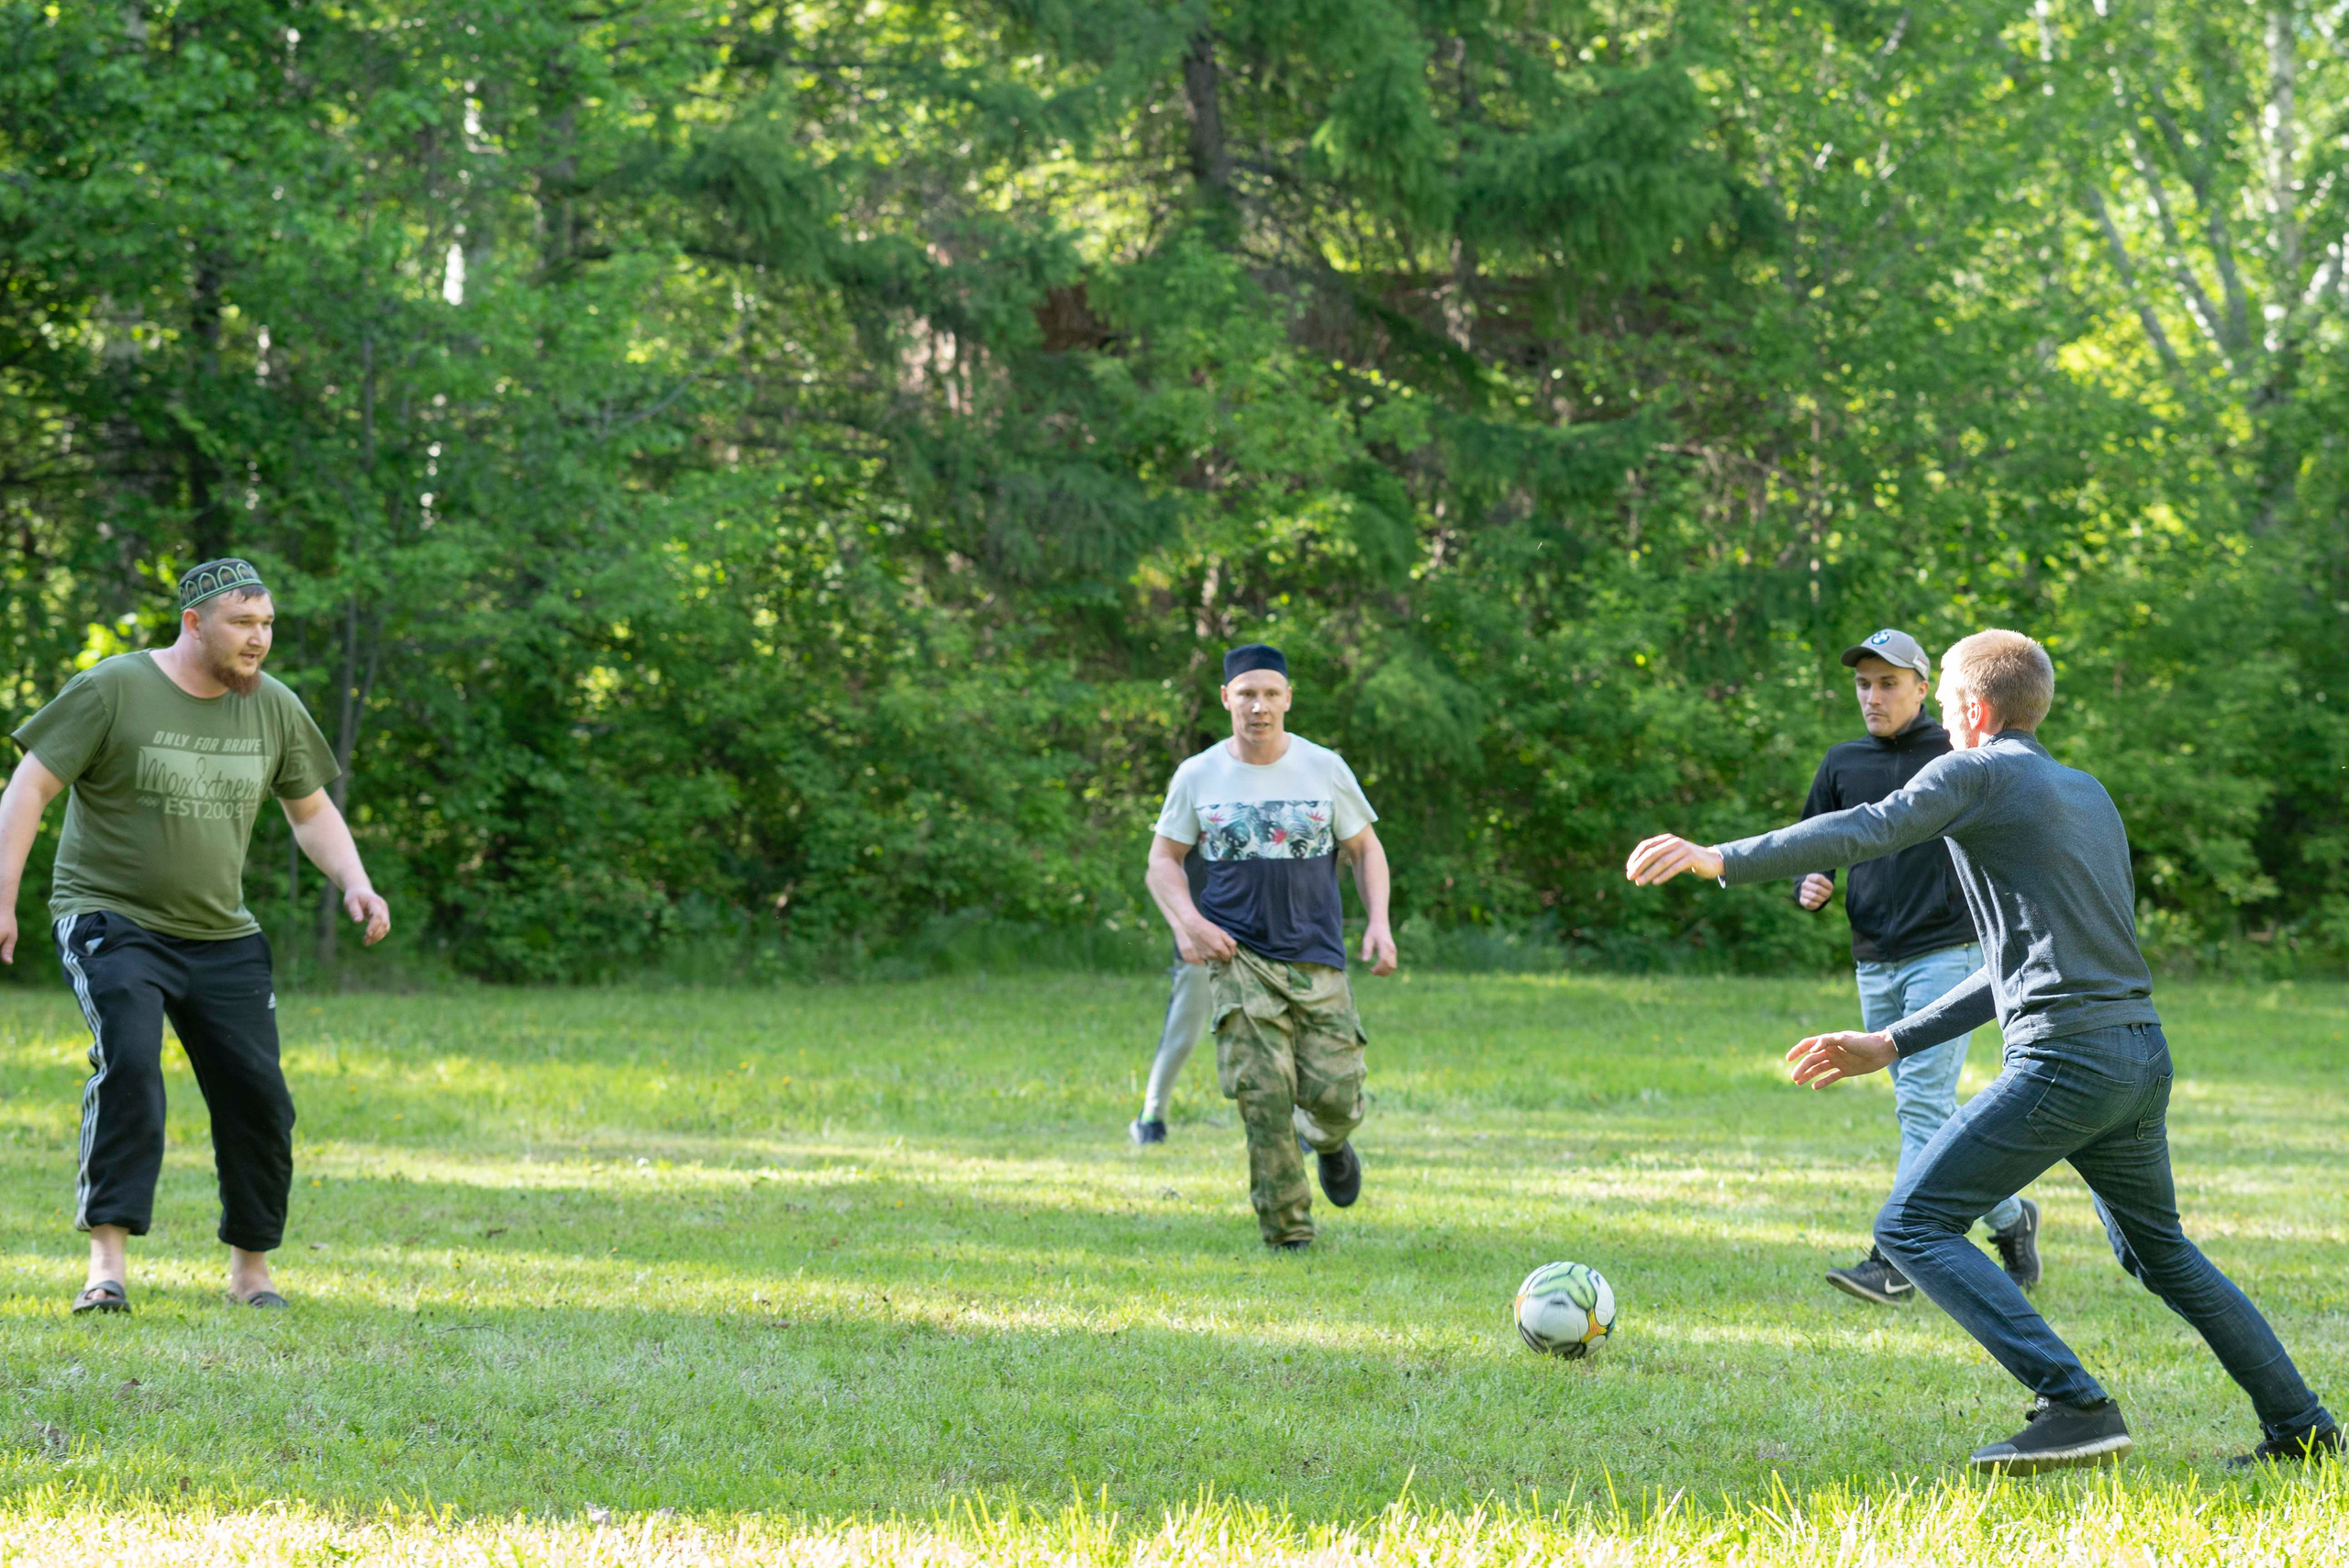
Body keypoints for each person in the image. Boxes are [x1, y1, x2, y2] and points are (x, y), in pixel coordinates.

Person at [1625, 628, 2338, 1473]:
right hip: (2139, 1054)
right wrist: (1892, 1040)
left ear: (1972, 708)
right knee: (2162, 1253)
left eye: (1945, 702)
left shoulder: (1974, 771)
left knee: (1912, 1222)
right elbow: (2018, 962)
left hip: (2067, 1059)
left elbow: (1869, 826)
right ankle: (2304, 1428)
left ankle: (2076, 1405)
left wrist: (1721, 857)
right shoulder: (2088, 792)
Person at [0, 559, 392, 1315]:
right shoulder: (114, 687)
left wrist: (356, 880)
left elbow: (310, 811)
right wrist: (3, 898)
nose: (258, 638)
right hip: (111, 918)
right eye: (242, 622)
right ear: (194, 623)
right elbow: (29, 787)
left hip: (221, 932)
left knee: (260, 1098)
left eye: (267, 623)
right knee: (130, 1063)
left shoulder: (274, 706)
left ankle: (252, 1271)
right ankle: (106, 1267)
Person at [1793, 628, 2039, 1307]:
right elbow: (1816, 840)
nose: (1872, 696)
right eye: (1863, 684)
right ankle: (2011, 1217)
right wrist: (1811, 880)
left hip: (1950, 952)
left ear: (1923, 687)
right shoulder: (1842, 763)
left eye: (1888, 683)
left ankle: (1895, 1258)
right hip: (1875, 959)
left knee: (1922, 1104)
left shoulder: (1957, 754)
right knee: (1933, 1110)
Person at [1145, 643, 1397, 1250]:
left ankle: (1330, 1141)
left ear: (1287, 699)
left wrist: (1379, 923)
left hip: (1316, 953)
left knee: (1336, 1094)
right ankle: (1289, 1232)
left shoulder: (1323, 767)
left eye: (1269, 694)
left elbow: (1365, 849)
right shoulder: (1198, 774)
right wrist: (1190, 924)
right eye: (1246, 694)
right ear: (1226, 698)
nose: (1258, 706)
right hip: (1238, 957)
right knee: (1263, 1095)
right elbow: (1162, 862)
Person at [1130, 849, 1211, 1145]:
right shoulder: (1192, 816)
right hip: (1199, 945)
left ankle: (1300, 1122)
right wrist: (1182, 929)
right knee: (1182, 1036)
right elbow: (1155, 874)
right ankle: (1150, 1118)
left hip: (1256, 940)